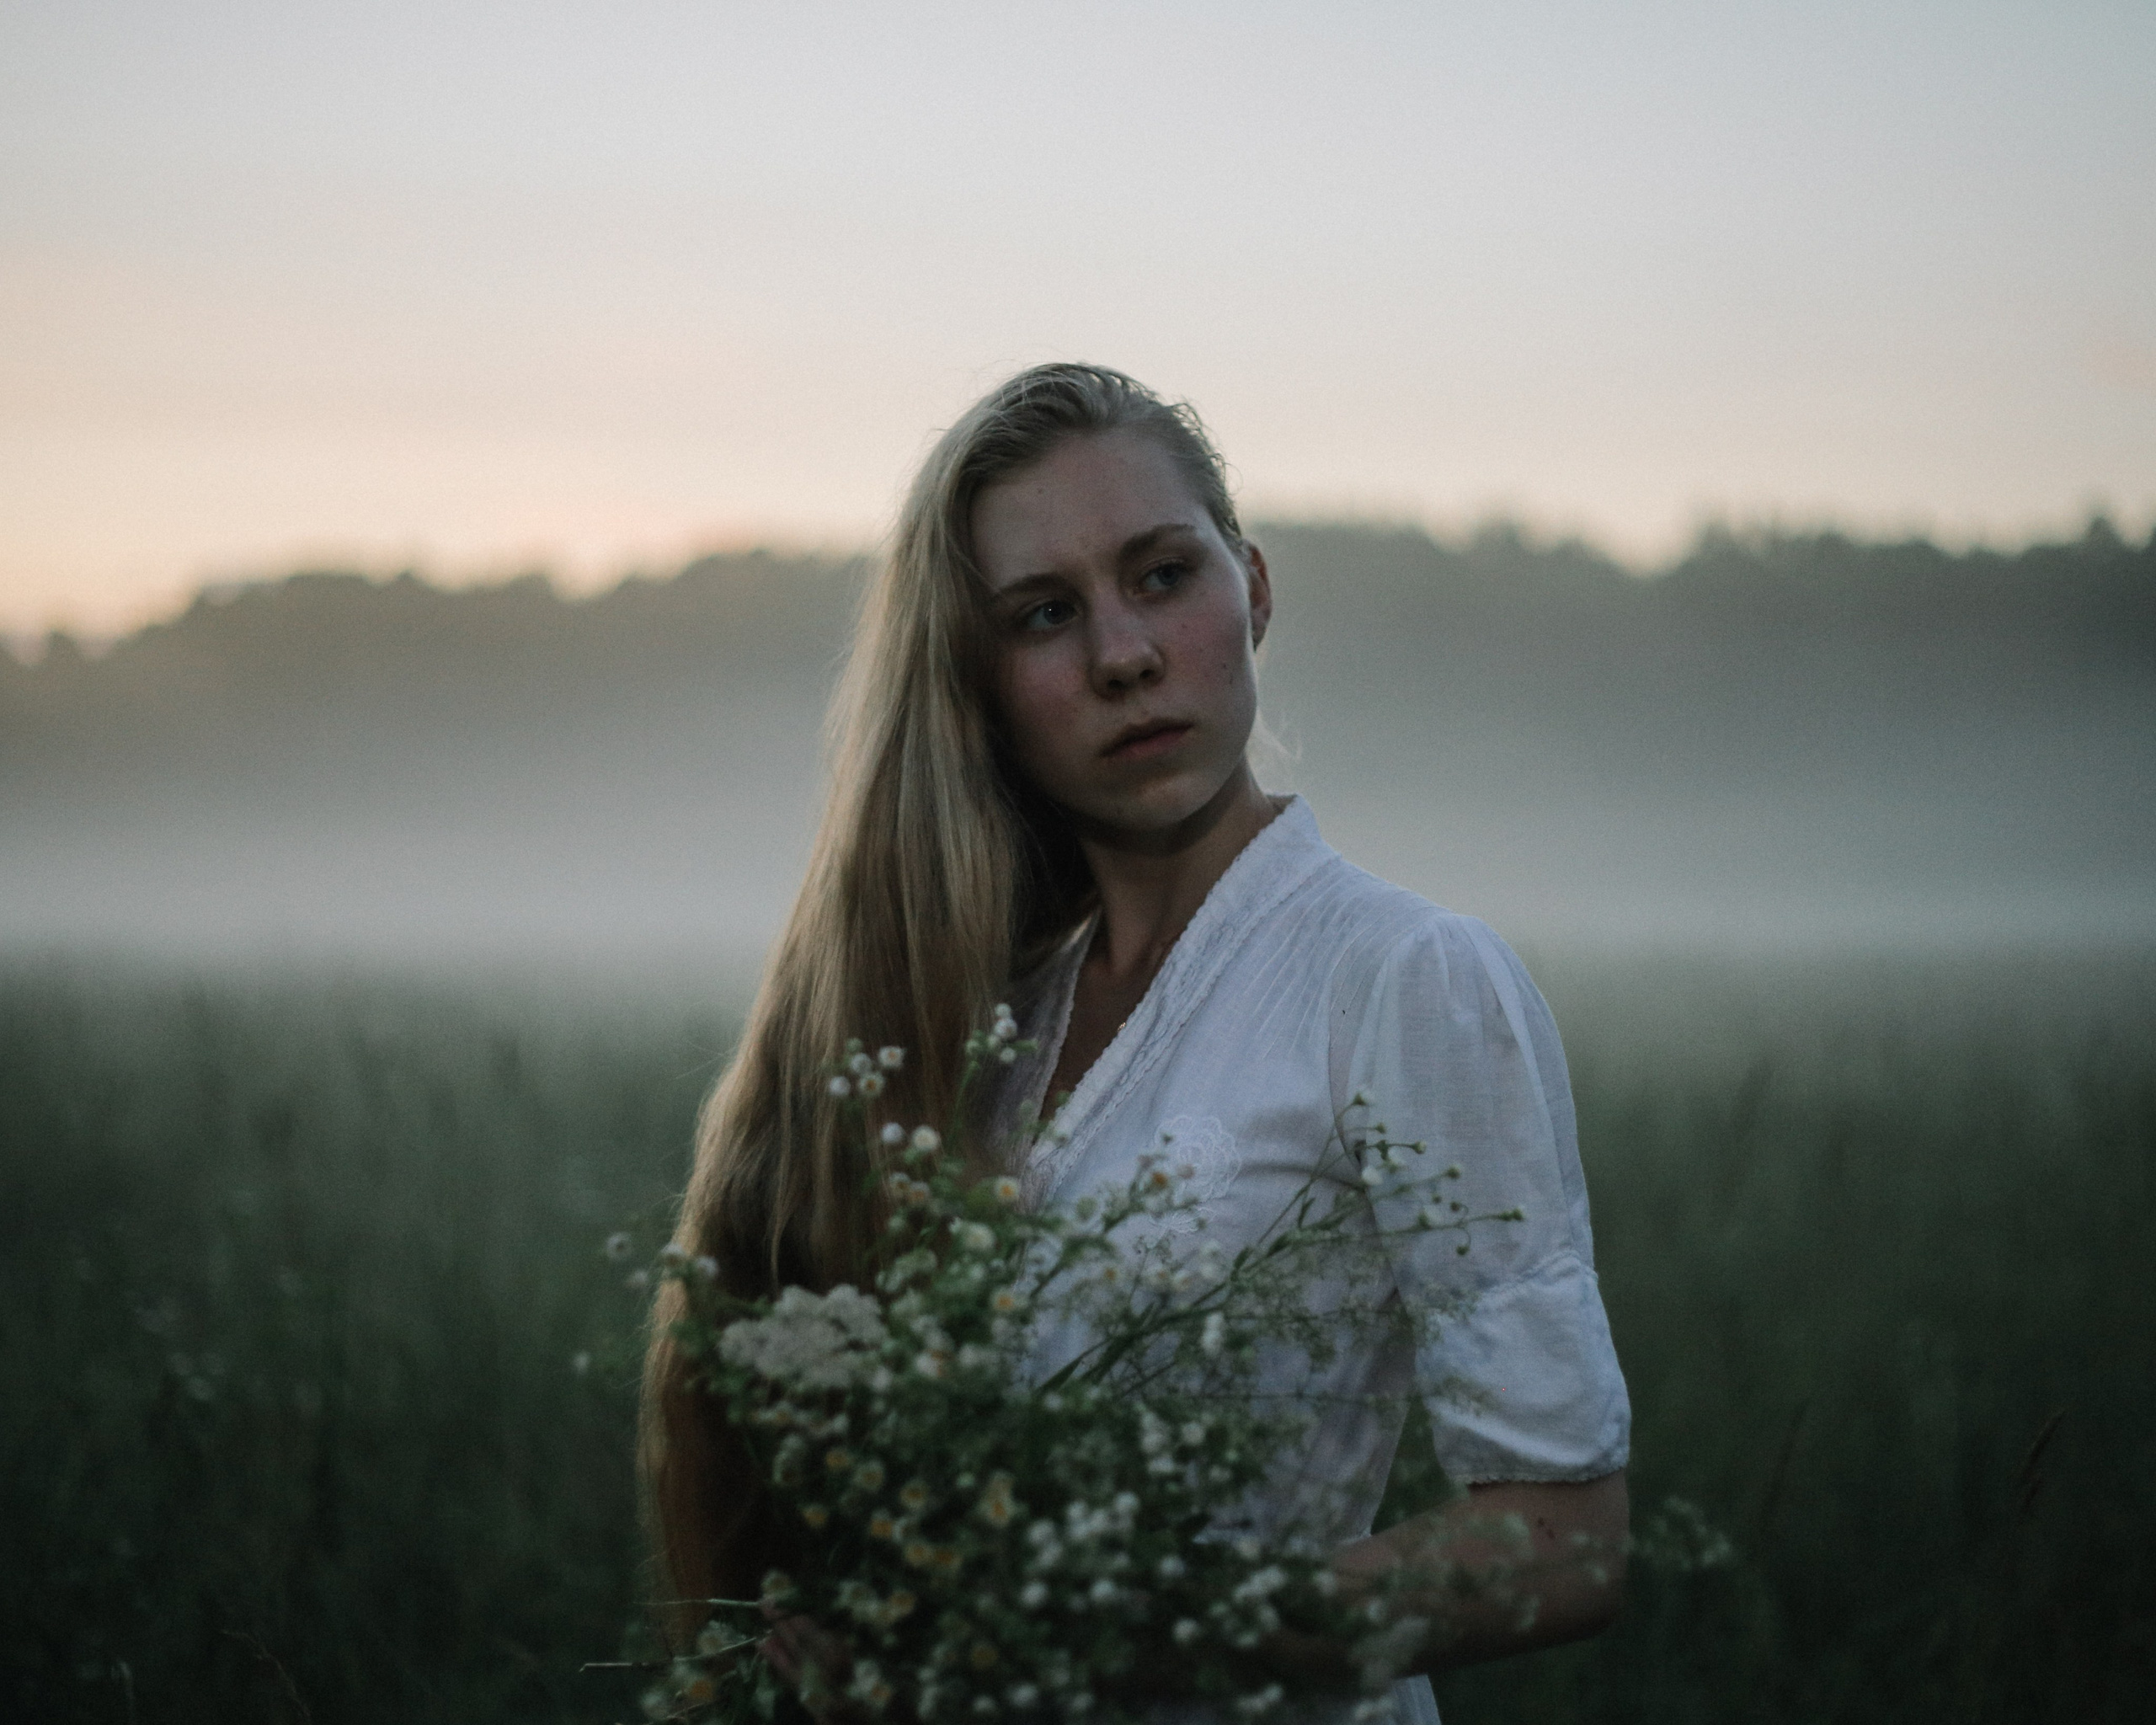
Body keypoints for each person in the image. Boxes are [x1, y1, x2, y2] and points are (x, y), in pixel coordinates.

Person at [642, 363, 1631, 1723]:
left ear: (1257, 591)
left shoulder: (1403, 982)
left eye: (1163, 574)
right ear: (981, 688)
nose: (1122, 653)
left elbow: (1565, 1546)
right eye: (1046, 615)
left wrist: (1129, 1650)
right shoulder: (977, 1021)